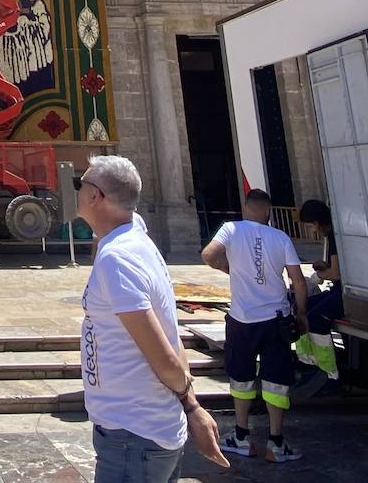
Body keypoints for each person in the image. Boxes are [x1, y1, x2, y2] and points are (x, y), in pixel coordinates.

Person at [76, 154, 228, 481]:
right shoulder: (135, 241)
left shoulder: (119, 258)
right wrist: (192, 407)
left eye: (81, 183)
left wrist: (193, 408)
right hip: (138, 432)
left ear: (94, 196)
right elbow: (171, 336)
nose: (77, 190)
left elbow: (163, 358)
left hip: (133, 435)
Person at [201, 189, 308, 462]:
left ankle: (241, 436)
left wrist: (229, 267)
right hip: (276, 319)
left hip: (242, 319)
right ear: (268, 210)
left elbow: (208, 254)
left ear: (246, 207)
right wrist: (302, 314)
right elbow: (298, 281)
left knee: (241, 378)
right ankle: (276, 442)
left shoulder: (231, 229)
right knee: (276, 381)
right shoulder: (280, 237)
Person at [295, 199, 342, 380]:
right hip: (339, 289)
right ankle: (307, 359)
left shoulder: (333, 236)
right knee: (300, 308)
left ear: (316, 223)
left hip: (344, 293)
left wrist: (318, 277)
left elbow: (336, 273)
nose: (313, 231)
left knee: (315, 319)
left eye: (311, 226)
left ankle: (329, 372)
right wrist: (324, 266)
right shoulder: (332, 235)